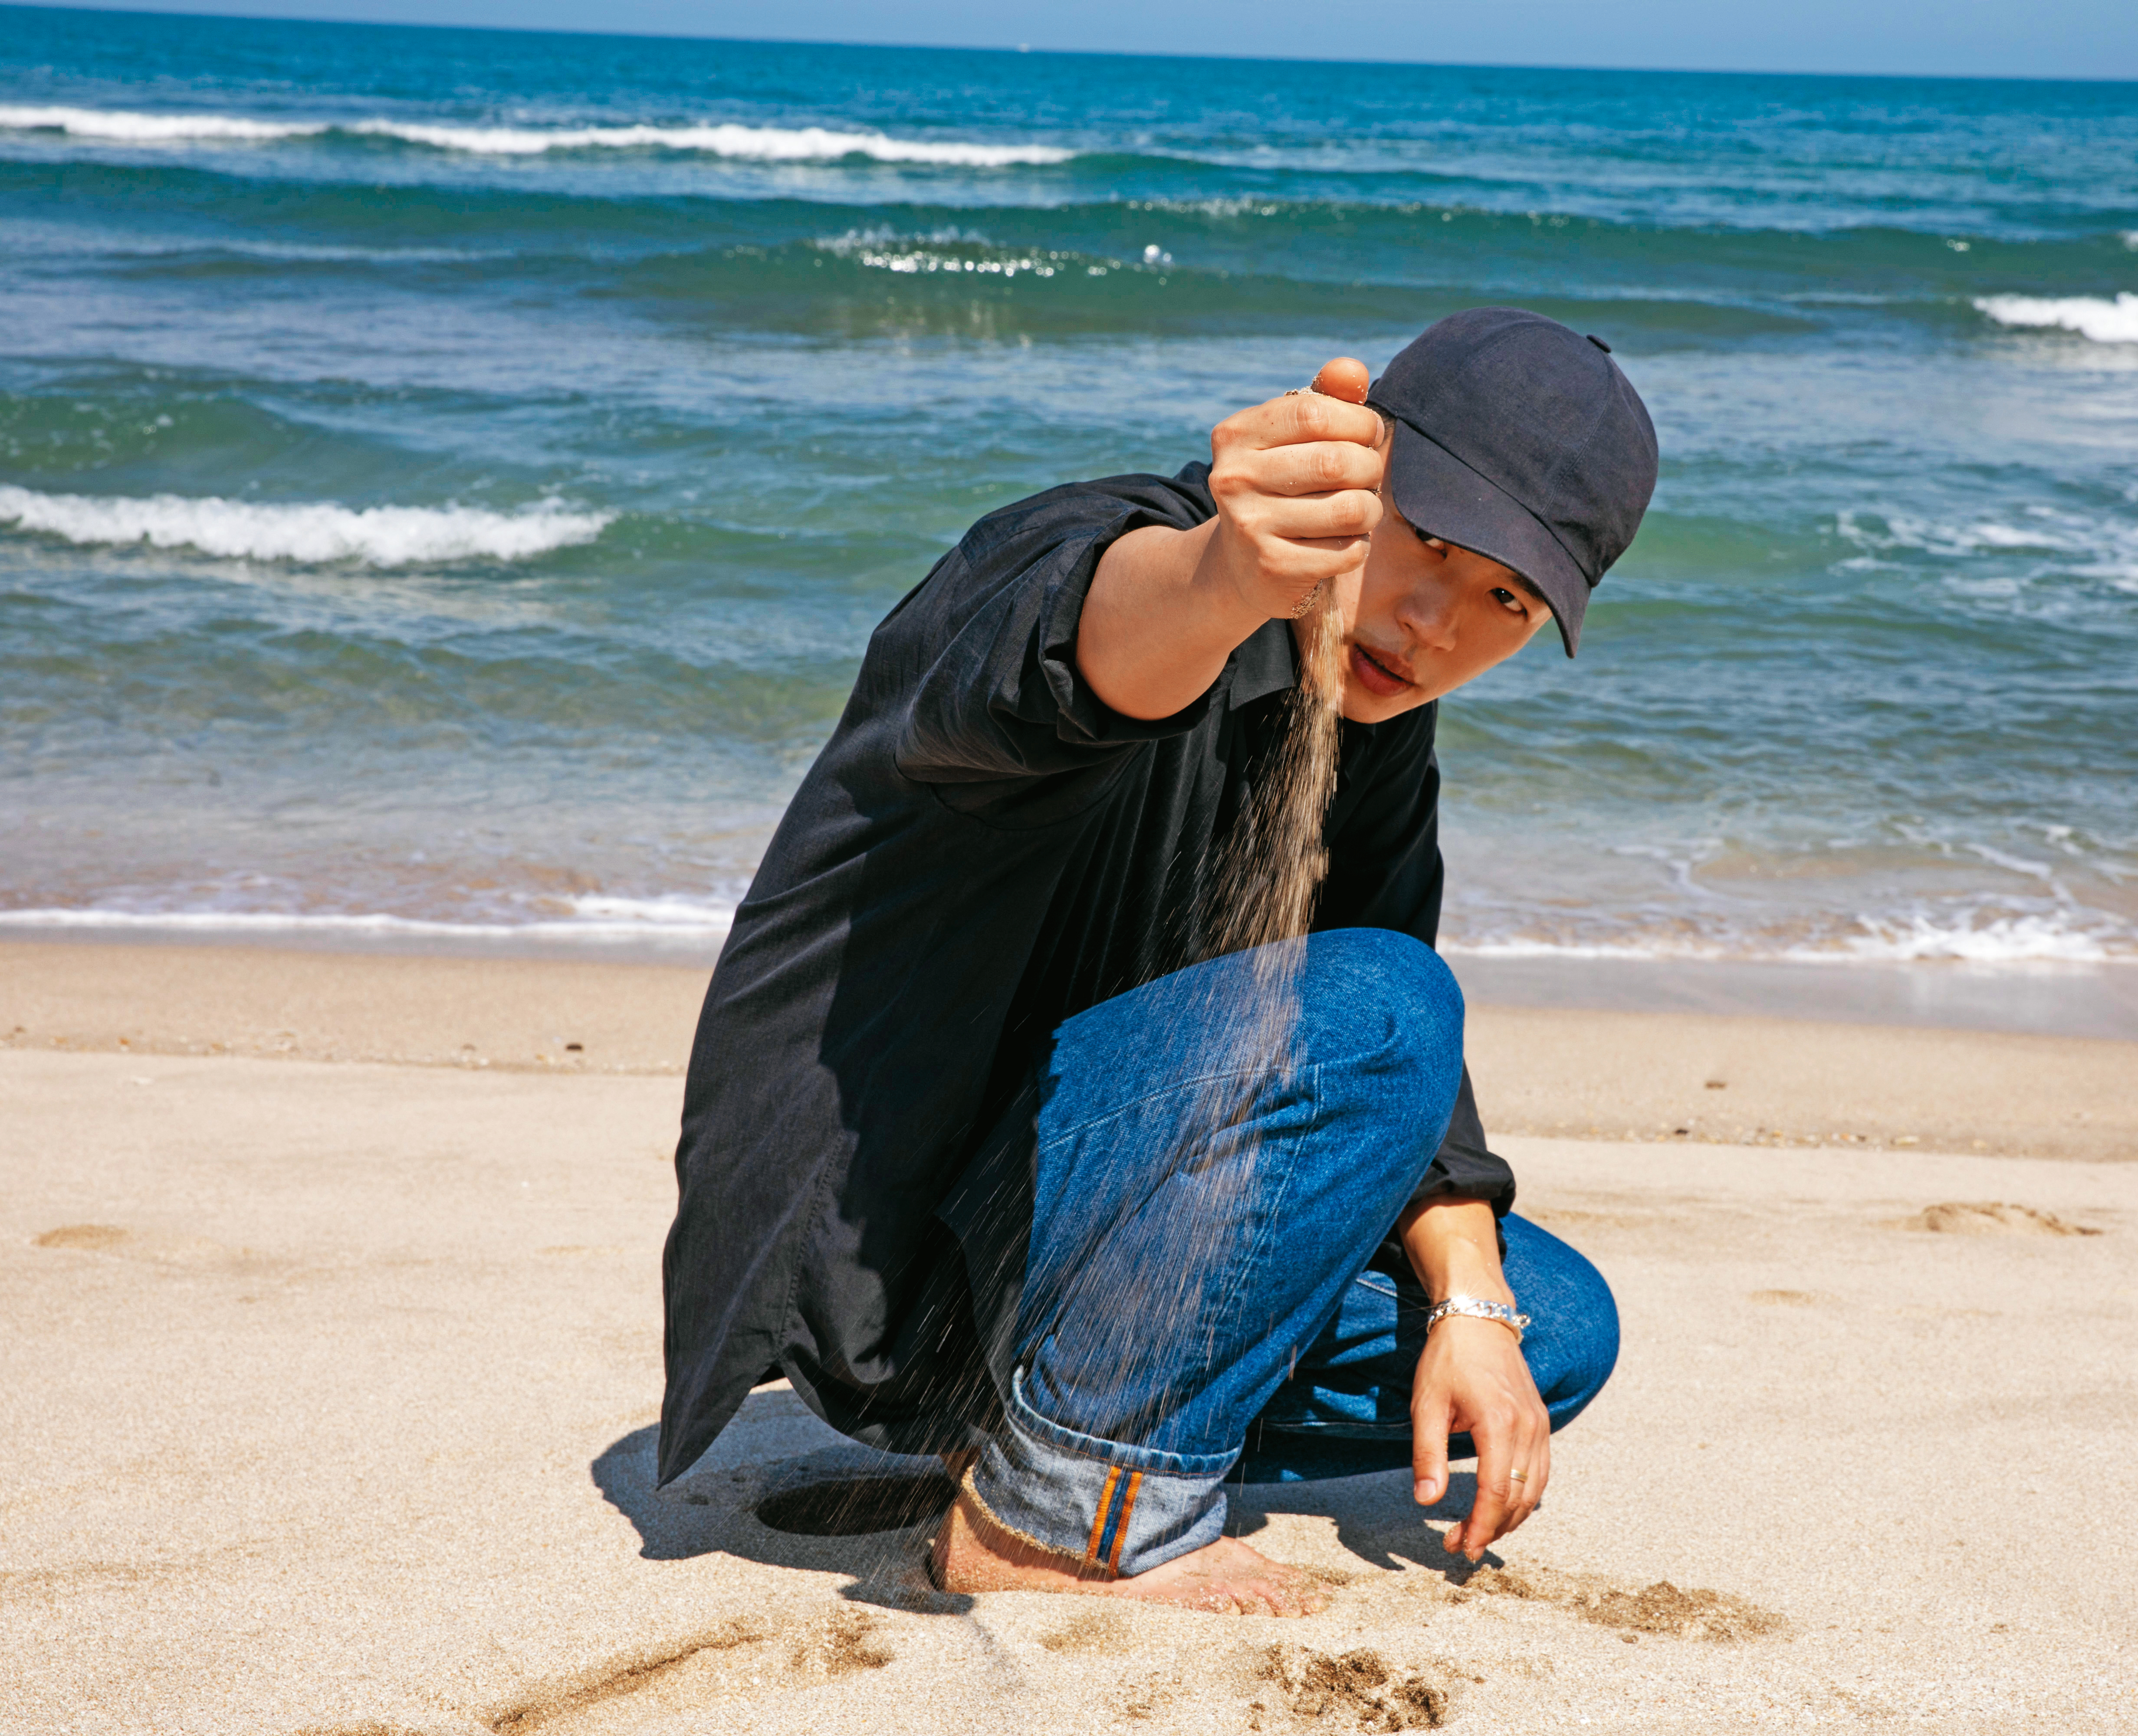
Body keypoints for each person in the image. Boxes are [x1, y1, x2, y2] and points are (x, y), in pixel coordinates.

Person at [657, 307, 1660, 1615]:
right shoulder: (1101, 554)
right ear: (1352, 463)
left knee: (1554, 1325)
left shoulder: (1370, 715)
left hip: (1072, 1244)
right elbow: (1076, 656)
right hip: (893, 1253)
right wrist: (1230, 575)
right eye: (1428, 539)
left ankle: (1045, 1425)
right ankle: (1059, 1509)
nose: (1432, 623)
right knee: (1386, 1009)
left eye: (1505, 600)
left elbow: (1394, 1039)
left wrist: (1474, 1306)